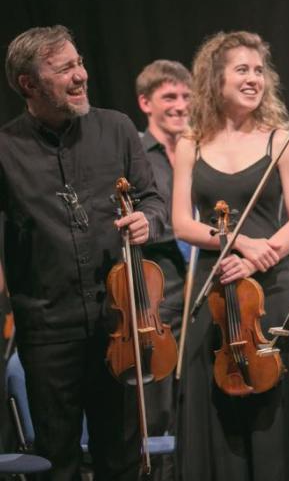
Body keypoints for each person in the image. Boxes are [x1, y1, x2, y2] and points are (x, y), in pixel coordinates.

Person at [0, 25, 167, 480]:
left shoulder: (115, 128)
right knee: (58, 458)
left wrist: (146, 221)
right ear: (28, 84)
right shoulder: (5, 149)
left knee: (122, 455)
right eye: (64, 69)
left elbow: (153, 200)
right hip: (48, 329)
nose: (81, 76)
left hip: (119, 323)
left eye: (79, 62)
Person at [172, 31, 289, 480]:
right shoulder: (191, 144)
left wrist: (263, 256)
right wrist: (237, 243)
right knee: (217, 416)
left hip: (273, 289)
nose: (253, 78)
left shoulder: (281, 140)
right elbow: (183, 223)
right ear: (214, 78)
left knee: (276, 415)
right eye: (242, 69)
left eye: (259, 70)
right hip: (216, 291)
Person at [135, 59, 193, 480]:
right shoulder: (135, 153)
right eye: (169, 97)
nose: (180, 105)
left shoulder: (200, 147)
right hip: (161, 295)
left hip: (205, 289)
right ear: (146, 102)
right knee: (158, 410)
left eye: (187, 97)